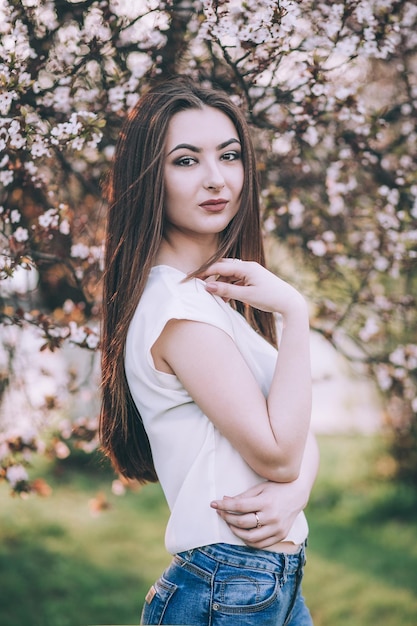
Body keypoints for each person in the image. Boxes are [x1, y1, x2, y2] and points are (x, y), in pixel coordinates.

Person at [100, 76, 319, 625]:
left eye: (228, 155)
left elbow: (296, 432)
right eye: (186, 160)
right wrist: (296, 315)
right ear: (150, 178)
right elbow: (278, 453)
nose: (217, 179)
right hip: (230, 582)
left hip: (265, 583)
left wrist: (294, 494)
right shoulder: (178, 312)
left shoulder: (209, 300)